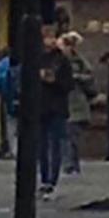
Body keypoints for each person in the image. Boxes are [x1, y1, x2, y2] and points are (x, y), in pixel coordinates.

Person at [38, 29, 74, 199]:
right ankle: (44, 178)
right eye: (47, 37)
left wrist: (55, 80)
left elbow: (69, 84)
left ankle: (52, 180)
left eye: (52, 37)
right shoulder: (36, 58)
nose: (50, 41)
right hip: (41, 107)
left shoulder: (62, 60)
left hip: (56, 107)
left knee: (55, 145)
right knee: (42, 146)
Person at [60, 33, 96, 176]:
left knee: (70, 136)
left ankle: (70, 165)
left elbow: (89, 79)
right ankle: (70, 165)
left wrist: (75, 78)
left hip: (76, 105)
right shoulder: (59, 60)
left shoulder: (80, 62)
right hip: (64, 104)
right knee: (67, 136)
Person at [0, 49, 20, 158]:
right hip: (25, 100)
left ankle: (13, 150)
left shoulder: (2, 65)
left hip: (9, 99)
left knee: (11, 126)